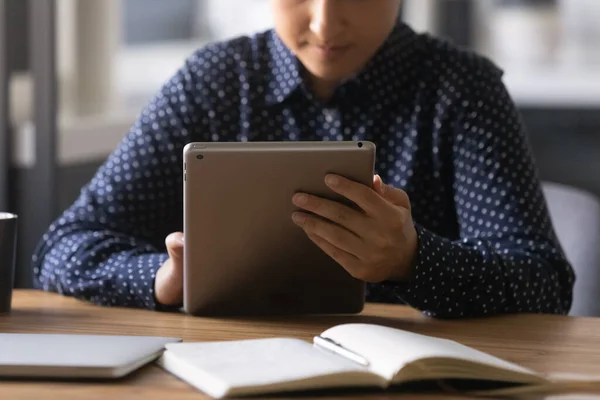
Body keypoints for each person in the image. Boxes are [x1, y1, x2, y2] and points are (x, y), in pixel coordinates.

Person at [32, 0, 575, 318]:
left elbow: (544, 281)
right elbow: (66, 245)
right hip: (231, 368)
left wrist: (411, 259)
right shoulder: (213, 83)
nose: (323, 23)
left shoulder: (462, 89)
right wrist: (164, 278)